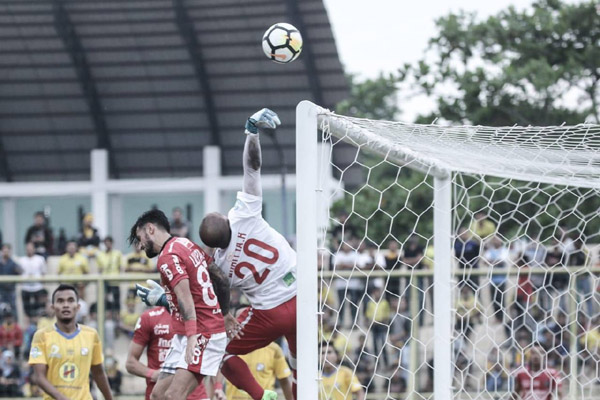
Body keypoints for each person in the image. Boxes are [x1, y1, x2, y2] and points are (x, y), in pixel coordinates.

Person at [198, 109, 298, 398]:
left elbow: (217, 290)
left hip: (271, 314)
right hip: (303, 292)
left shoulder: (220, 265)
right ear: (227, 220)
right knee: (300, 361)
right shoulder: (245, 214)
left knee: (217, 351)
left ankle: (260, 395)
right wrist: (251, 131)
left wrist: (227, 314)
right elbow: (252, 168)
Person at [129, 210, 276, 400]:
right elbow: (219, 278)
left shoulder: (167, 256)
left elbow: (186, 298)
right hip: (188, 333)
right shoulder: (186, 244)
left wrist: (192, 337)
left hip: (201, 333)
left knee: (174, 396)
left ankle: (262, 395)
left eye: (139, 239)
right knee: (158, 395)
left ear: (150, 229)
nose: (140, 246)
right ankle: (261, 395)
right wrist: (224, 313)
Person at [28, 284, 113, 400]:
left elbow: (98, 373)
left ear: (78, 307)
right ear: (53, 307)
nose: (66, 305)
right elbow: (39, 377)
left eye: (70, 300)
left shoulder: (91, 335)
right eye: (60, 301)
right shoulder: (41, 335)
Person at [126, 306, 209, 400]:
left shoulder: (202, 316)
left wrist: (218, 387)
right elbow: (131, 362)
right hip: (160, 394)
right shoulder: (149, 317)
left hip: (196, 395)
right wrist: (153, 374)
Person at [213, 307, 293, 400]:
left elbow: (284, 380)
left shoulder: (273, 349)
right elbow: (219, 367)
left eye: (246, 321)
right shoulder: (226, 348)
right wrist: (218, 388)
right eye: (238, 321)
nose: (242, 325)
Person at [19, 242, 47, 319]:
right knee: (26, 310)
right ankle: (28, 326)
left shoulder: (40, 259)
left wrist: (43, 285)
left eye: (31, 248)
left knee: (40, 309)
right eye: (27, 249)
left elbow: (43, 273)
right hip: (25, 288)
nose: (29, 250)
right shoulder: (21, 260)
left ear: (34, 249)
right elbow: (19, 273)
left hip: (38, 287)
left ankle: (40, 324)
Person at [96, 236, 123, 312]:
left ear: (112, 243)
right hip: (105, 281)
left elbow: (120, 267)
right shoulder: (100, 255)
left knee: (116, 301)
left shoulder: (117, 254)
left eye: (109, 242)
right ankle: (106, 316)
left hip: (115, 281)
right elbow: (99, 269)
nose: (107, 244)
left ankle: (117, 317)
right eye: (106, 243)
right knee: (105, 300)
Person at [0, 244, 22, 314]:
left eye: (7, 251)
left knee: (13, 310)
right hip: (1, 291)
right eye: (4, 250)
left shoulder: (12, 263)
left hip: (11, 291)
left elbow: (20, 271)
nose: (5, 252)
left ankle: (15, 324)